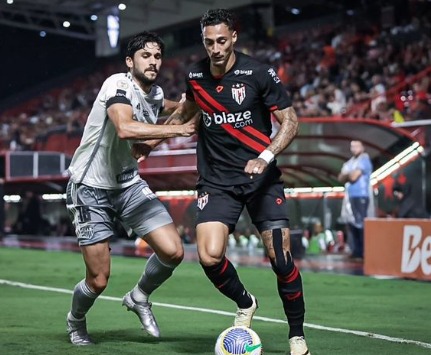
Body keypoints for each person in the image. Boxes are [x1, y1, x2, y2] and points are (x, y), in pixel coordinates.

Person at [152, 9, 310, 355]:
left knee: (281, 261)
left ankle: (296, 336)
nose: (216, 48)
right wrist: (151, 142)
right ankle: (245, 301)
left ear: (234, 37)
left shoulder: (258, 72)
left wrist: (265, 156)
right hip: (217, 181)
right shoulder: (195, 75)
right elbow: (187, 113)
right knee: (209, 256)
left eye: (222, 40)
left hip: (262, 180)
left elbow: (291, 122)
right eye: (209, 42)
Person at [64, 32, 195, 345]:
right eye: (145, 56)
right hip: (90, 187)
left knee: (173, 251)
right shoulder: (117, 84)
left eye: (157, 56)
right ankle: (75, 320)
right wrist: (179, 128)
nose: (152, 62)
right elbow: (124, 127)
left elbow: (178, 108)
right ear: (130, 61)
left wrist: (196, 103)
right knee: (98, 280)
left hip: (127, 184)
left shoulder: (156, 94)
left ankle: (140, 296)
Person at [338, 140, 373, 260]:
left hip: (361, 195)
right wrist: (348, 174)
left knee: (360, 223)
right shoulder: (351, 162)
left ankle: (363, 251)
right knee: (352, 223)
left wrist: (347, 174)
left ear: (362, 147)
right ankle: (356, 250)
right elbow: (340, 177)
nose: (354, 148)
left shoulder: (364, 159)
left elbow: (352, 177)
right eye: (352, 146)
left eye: (356, 146)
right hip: (350, 196)